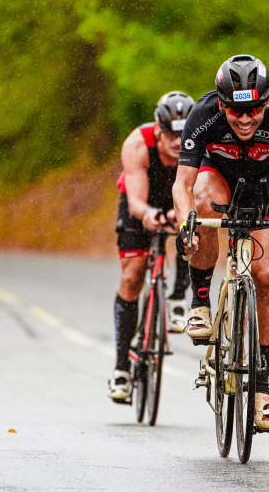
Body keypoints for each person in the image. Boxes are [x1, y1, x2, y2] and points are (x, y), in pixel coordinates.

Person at [172, 55, 269, 431]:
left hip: (262, 186)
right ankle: (202, 301)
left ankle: (260, 389)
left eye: (254, 108)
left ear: (267, 101)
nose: (244, 119)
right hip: (215, 175)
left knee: (266, 276)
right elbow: (182, 185)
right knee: (202, 204)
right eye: (235, 110)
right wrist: (185, 227)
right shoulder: (204, 113)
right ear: (221, 104)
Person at [108, 91, 196, 403]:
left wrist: (180, 216)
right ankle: (121, 368)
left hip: (179, 201)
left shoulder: (198, 143)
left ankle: (176, 297)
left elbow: (200, 191)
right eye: (172, 133)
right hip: (141, 203)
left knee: (193, 233)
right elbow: (134, 202)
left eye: (184, 133)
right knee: (133, 275)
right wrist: (150, 215)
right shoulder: (137, 143)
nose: (178, 140)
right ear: (158, 130)